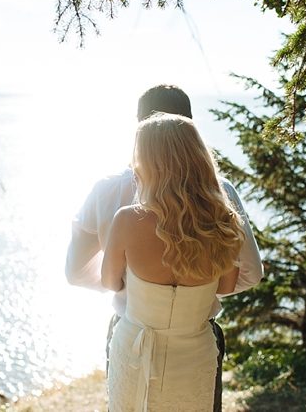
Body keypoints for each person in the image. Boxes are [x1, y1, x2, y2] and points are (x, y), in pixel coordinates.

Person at [65, 85, 263, 411]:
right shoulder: (221, 202)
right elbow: (243, 278)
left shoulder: (117, 205)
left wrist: (137, 291)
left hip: (133, 333)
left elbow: (83, 276)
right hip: (197, 339)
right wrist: (196, 292)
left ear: (140, 132)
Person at [101, 112, 248, 411]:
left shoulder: (128, 220)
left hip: (134, 350)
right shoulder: (225, 221)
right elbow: (226, 286)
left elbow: (109, 282)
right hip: (195, 353)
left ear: (148, 162)